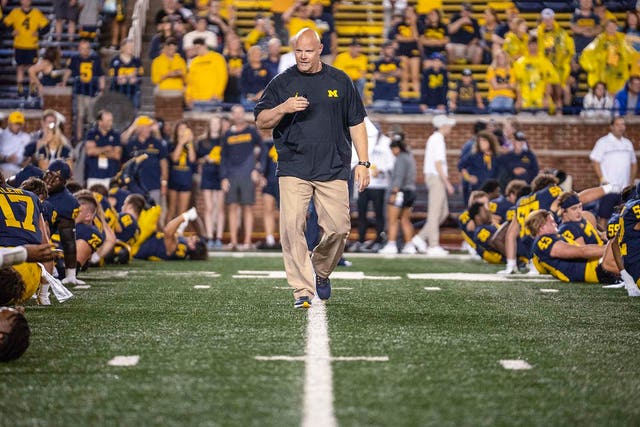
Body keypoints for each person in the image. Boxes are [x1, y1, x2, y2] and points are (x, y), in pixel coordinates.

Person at [254, 28, 369, 309]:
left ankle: (321, 267)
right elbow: (261, 121)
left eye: (308, 50)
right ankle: (302, 290)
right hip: (294, 165)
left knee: (339, 229)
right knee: (292, 226)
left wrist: (364, 163)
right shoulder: (282, 83)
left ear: (320, 49)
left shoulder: (340, 81)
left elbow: (357, 123)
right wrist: (284, 107)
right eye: (298, 51)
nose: (303, 56)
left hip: (333, 167)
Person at [525, 209, 620, 284]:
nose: (556, 224)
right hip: (597, 269)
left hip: (597, 267)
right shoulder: (543, 241)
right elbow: (581, 252)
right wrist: (614, 248)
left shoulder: (546, 241)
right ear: (542, 227)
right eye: (551, 222)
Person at [220, 105, 264, 251]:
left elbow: (263, 152)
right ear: (232, 115)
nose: (238, 115)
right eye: (235, 113)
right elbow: (223, 158)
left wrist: (258, 170)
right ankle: (233, 242)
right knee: (232, 207)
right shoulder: (227, 134)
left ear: (244, 114)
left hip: (247, 174)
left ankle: (247, 241)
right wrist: (224, 177)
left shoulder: (252, 132)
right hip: (232, 175)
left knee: (248, 207)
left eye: (240, 112)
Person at [412, 115, 456, 256]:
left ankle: (420, 238)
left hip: (435, 178)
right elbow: (438, 164)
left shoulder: (436, 138)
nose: (450, 128)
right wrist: (447, 183)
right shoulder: (438, 139)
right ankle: (433, 245)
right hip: (436, 178)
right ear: (443, 126)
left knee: (443, 213)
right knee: (435, 213)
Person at [351, 118, 394, 252]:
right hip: (363, 183)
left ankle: (379, 240)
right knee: (361, 213)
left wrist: (380, 170)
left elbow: (391, 163)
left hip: (380, 185)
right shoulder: (362, 140)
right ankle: (361, 240)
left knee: (379, 214)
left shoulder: (386, 142)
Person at [589, 116, 637, 227]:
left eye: (623, 125)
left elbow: (634, 164)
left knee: (624, 217)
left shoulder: (628, 143)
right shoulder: (603, 142)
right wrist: (602, 178)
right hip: (609, 188)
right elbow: (595, 161)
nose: (621, 127)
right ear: (611, 127)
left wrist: (630, 182)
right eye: (618, 125)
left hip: (624, 190)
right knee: (604, 216)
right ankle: (603, 242)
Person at [378, 130, 417, 254]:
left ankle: (391, 244)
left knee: (392, 219)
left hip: (400, 192)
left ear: (396, 148)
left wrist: (394, 194)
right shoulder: (410, 156)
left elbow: (399, 177)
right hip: (410, 191)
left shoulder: (400, 158)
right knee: (405, 220)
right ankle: (409, 245)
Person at [2, 0, 49, 98]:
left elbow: (46, 26)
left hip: (32, 46)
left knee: (32, 69)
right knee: (20, 68)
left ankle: (32, 89)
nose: (26, 1)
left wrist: (39, 33)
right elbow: (4, 23)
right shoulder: (15, 12)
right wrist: (11, 31)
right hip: (19, 45)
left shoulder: (36, 12)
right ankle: (20, 89)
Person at [63, 39, 105, 141]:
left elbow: (101, 74)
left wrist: (102, 89)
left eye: (87, 49)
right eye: (83, 49)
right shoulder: (75, 59)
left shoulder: (95, 59)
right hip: (80, 92)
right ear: (79, 49)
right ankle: (79, 138)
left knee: (92, 117)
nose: (85, 51)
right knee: (80, 116)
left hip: (93, 92)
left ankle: (92, 137)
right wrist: (63, 82)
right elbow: (69, 71)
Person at [196, 115, 225, 251]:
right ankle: (208, 236)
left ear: (220, 125)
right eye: (212, 123)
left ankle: (218, 237)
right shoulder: (202, 141)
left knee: (219, 207)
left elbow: (228, 159)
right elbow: (197, 160)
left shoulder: (224, 140)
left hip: (220, 175)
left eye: (217, 123)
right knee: (208, 207)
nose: (215, 126)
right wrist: (206, 159)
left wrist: (218, 160)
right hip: (207, 174)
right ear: (209, 125)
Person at [185, 38, 228, 108]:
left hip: (212, 99)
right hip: (196, 100)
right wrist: (188, 98)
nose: (197, 50)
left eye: (198, 47)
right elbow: (190, 82)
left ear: (205, 46)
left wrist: (217, 94)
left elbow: (223, 77)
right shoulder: (194, 62)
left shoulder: (217, 58)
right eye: (195, 48)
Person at [83, 110, 121, 188]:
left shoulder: (115, 135)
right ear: (100, 122)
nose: (110, 123)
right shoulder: (91, 134)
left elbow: (117, 155)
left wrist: (97, 150)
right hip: (94, 175)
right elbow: (90, 152)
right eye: (107, 121)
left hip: (111, 176)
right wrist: (107, 148)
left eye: (111, 120)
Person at [108, 38, 144, 108]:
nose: (131, 49)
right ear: (122, 47)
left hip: (133, 91)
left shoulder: (137, 61)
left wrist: (136, 79)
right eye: (128, 47)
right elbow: (112, 76)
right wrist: (120, 79)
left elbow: (141, 75)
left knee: (133, 111)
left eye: (132, 47)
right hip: (118, 91)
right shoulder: (114, 60)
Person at [371, 41, 403, 114]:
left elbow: (399, 73)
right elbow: (376, 76)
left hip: (394, 98)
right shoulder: (377, 63)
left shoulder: (397, 61)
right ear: (383, 50)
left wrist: (383, 74)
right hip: (379, 98)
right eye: (388, 48)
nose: (391, 50)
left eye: (392, 48)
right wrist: (392, 73)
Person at [240, 45, 274, 111]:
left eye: (258, 53)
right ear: (250, 55)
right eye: (255, 53)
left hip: (264, 97)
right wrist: (251, 96)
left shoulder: (266, 68)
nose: (257, 55)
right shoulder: (245, 69)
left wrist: (263, 93)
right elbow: (242, 85)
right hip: (248, 98)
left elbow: (271, 83)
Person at [0, 112, 30, 178]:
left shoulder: (26, 137)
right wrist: (6, 158)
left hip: (21, 170)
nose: (19, 126)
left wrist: (27, 161)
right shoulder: (2, 136)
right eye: (16, 124)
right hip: (4, 169)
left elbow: (30, 155)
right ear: (9, 123)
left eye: (20, 124)